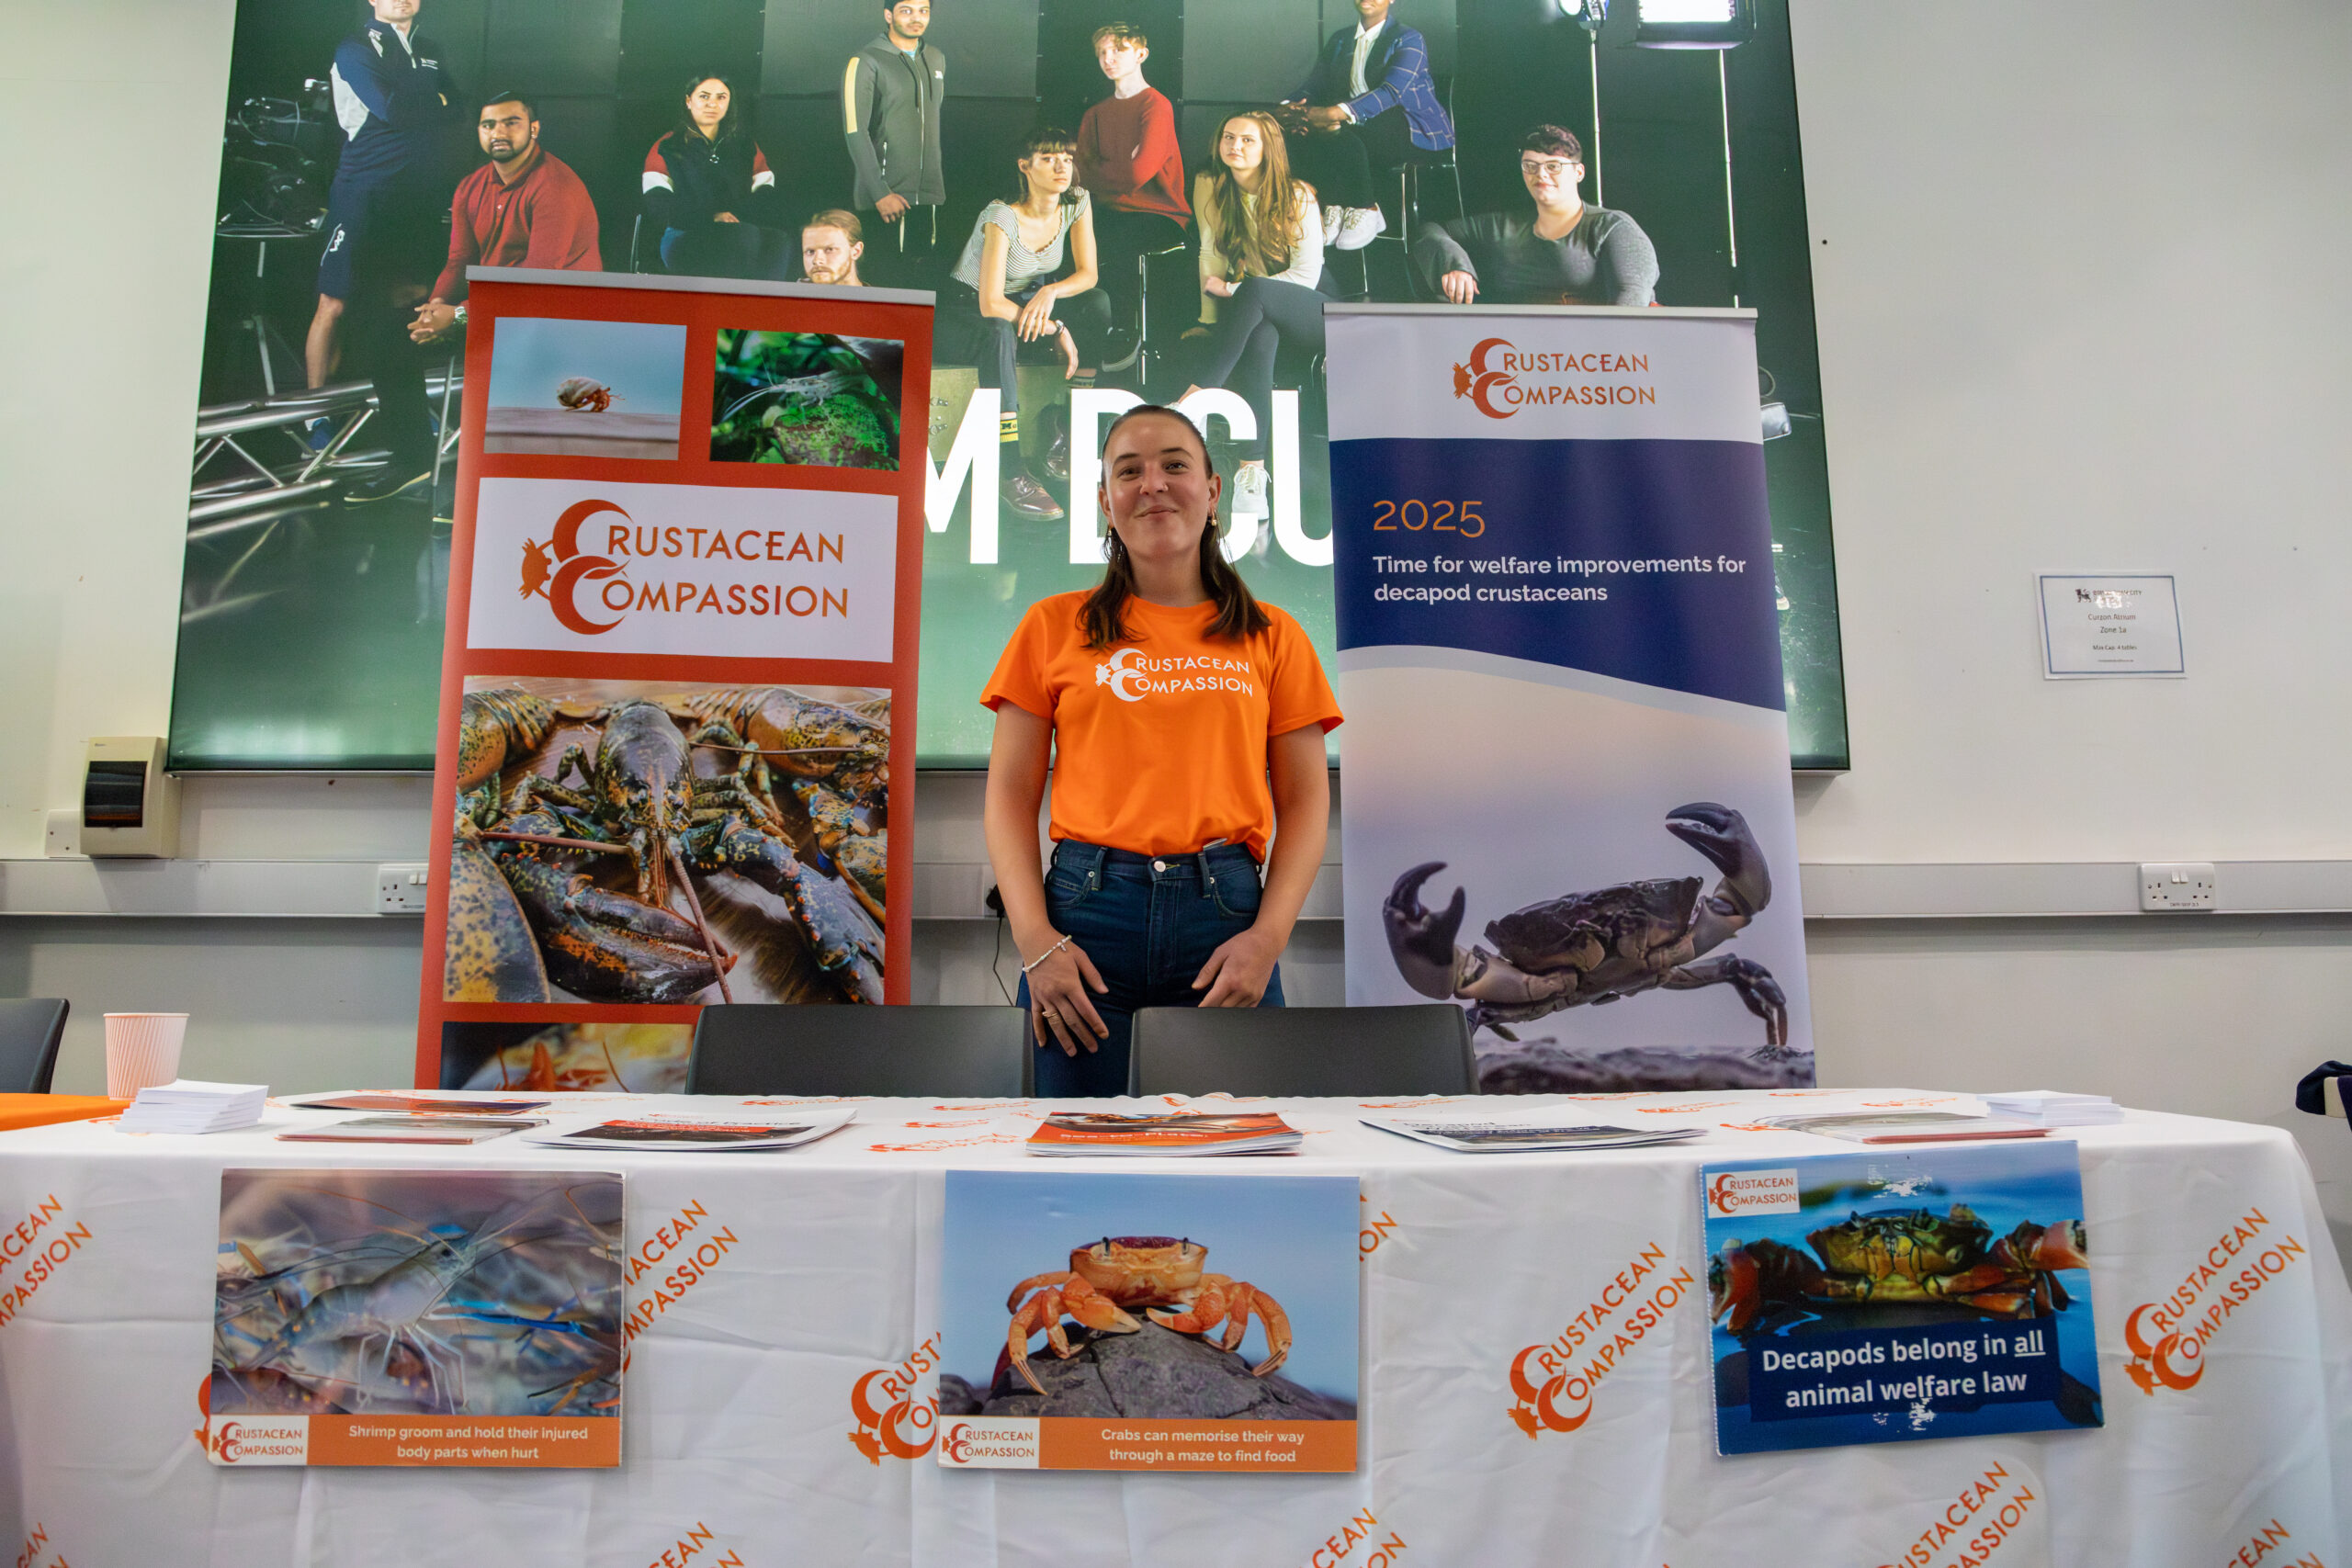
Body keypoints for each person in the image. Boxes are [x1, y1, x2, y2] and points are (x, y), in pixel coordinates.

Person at [981, 403, 1340, 1096]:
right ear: (1104, 502)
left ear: (1213, 491)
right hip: (1084, 926)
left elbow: (1305, 804)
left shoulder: (1274, 635)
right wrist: (1034, 941)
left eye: (1175, 465)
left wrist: (1268, 939)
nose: (1153, 484)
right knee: (1075, 1148)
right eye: (1129, 471)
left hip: (1226, 925)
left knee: (1234, 1149)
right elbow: (1008, 796)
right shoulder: (1052, 626)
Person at [310, 0, 463, 501]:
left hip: (413, 196)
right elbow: (389, 108)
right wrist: (430, 101)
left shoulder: (431, 48)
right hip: (363, 190)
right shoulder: (355, 47)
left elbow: (459, 109)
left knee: (410, 299)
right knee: (334, 303)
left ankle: (410, 429)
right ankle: (316, 421)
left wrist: (420, 100)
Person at [940, 128, 1113, 523]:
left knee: (1097, 303)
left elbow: (1088, 275)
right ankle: (1011, 470)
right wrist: (1056, 328)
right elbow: (990, 303)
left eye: (1067, 159)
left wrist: (1051, 292)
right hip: (967, 308)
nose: (1061, 167)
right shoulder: (1002, 215)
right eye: (1048, 159)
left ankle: (1064, 423)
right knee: (998, 331)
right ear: (1025, 166)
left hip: (1024, 300)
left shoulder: (1077, 201)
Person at [1182, 111, 1324, 523]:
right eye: (1229, 137)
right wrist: (1210, 320)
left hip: (1315, 311)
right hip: (1260, 314)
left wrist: (1232, 290)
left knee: (1257, 290)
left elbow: (1306, 276)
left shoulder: (1298, 195)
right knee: (1260, 335)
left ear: (1268, 149)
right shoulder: (1214, 188)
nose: (1235, 146)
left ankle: (1194, 399)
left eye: (1248, 140)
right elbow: (1210, 251)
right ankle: (1252, 475)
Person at [408, 93, 601, 344]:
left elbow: (537, 280)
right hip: (497, 308)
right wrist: (434, 308)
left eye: (511, 123)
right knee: (395, 334)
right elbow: (459, 260)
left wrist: (458, 316)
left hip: (558, 315)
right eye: (488, 125)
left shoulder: (556, 187)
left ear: (534, 129)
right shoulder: (469, 187)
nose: (498, 132)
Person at [1412, 125, 1659, 306]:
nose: (1540, 175)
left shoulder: (1611, 226)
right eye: (1530, 166)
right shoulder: (1504, 226)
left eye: (1553, 166)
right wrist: (1454, 264)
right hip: (1516, 349)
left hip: (1593, 353)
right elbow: (1430, 230)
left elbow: (1631, 300)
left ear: (1579, 172)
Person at [1277, 0, 1453, 253]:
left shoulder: (1408, 38)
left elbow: (1391, 92)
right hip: (1355, 126)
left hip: (1412, 127)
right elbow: (1314, 84)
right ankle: (1335, 204)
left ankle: (1365, 207)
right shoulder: (1340, 39)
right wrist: (1289, 108)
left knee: (1340, 129)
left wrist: (1334, 113)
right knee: (1304, 132)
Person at [1074, 23, 1187, 355]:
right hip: (1108, 211)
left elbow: (1137, 174)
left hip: (1158, 214)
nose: (1108, 58)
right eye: (1102, 52)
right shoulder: (1095, 113)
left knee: (1114, 242)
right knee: (1065, 238)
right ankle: (1076, 341)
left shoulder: (1156, 105)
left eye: (1118, 50)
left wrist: (1108, 173)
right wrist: (1123, 168)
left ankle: (1122, 338)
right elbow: (1078, 175)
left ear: (1141, 54)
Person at [642, 74, 784, 279]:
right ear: (688, 101)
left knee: (778, 241)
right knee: (743, 237)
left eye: (721, 97)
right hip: (684, 234)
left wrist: (733, 218)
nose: (712, 104)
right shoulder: (667, 147)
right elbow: (659, 205)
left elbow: (766, 193)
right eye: (704, 96)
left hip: (740, 229)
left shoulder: (745, 145)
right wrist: (712, 217)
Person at [843, 0, 946, 276]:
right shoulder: (866, 60)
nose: (917, 18)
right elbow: (855, 131)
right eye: (906, 11)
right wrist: (880, 192)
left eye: (923, 11)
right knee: (884, 279)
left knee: (920, 281)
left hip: (928, 196)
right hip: (886, 197)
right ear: (888, 15)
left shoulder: (936, 57)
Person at [801, 209, 866, 287]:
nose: (817, 261)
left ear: (856, 251)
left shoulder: (875, 294)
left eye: (830, 250)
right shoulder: (793, 293)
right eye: (810, 251)